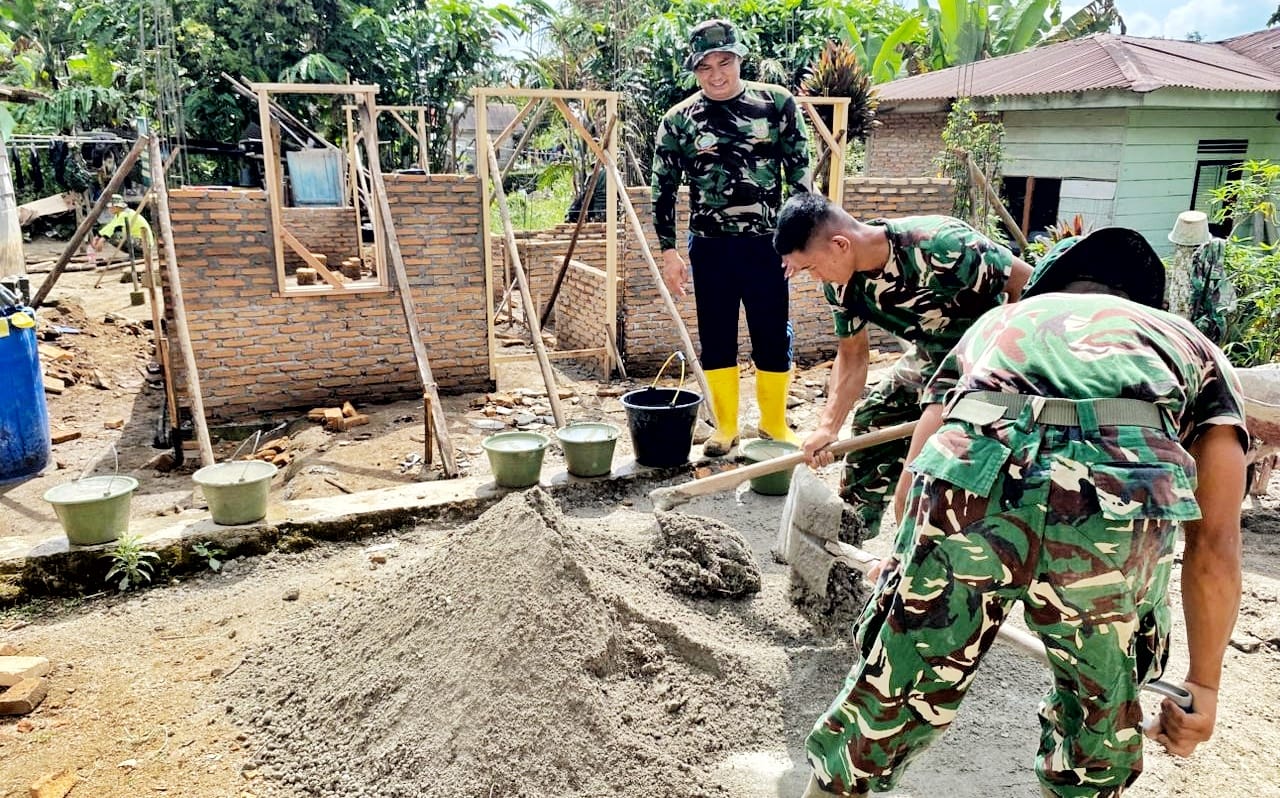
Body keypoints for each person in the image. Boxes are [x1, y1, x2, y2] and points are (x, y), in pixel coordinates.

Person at [801, 227, 1247, 798]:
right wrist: (1203, 688)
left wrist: (903, 564)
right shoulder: (1190, 343)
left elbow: (921, 466)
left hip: (974, 479)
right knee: (1096, 719)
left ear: (1046, 289)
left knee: (894, 691)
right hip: (1115, 507)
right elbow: (1215, 542)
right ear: (1139, 301)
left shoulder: (998, 325)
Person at [773, 192, 1031, 536]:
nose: (815, 277)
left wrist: (1010, 366)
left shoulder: (941, 244)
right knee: (872, 421)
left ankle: (915, 554)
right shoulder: (842, 287)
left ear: (839, 244)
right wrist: (827, 427)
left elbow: (1029, 283)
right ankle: (848, 541)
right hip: (930, 357)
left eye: (811, 267)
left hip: (985, 358)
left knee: (912, 486)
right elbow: (852, 356)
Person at [651, 18, 812, 456]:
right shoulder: (679, 120)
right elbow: (663, 189)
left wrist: (800, 245)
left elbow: (800, 178)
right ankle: (725, 427)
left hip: (767, 245)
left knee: (772, 334)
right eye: (705, 67)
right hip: (710, 247)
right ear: (695, 69)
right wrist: (668, 252)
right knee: (717, 335)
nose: (717, 74)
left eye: (725, 62)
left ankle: (774, 423)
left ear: (739, 58)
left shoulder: (777, 105)